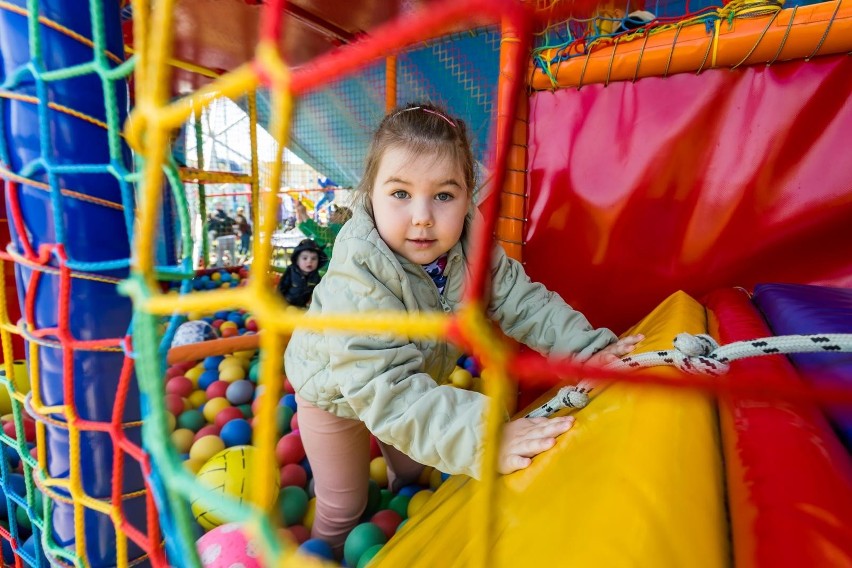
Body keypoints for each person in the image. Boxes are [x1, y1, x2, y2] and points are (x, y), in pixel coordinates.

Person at [283, 103, 643, 554]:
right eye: (400, 193)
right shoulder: (358, 271)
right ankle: (327, 551)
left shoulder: (469, 242)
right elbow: (384, 390)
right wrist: (485, 437)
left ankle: (401, 496)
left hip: (413, 374)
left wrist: (586, 350)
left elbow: (521, 300)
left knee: (414, 474)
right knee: (345, 505)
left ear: (468, 197)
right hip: (333, 394)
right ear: (369, 194)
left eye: (444, 195)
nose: (422, 216)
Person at [277, 239, 327, 307]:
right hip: (287, 302)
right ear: (297, 261)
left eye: (314, 259)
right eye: (305, 258)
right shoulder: (291, 271)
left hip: (303, 305)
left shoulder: (316, 276)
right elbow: (281, 287)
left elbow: (319, 291)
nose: (309, 261)